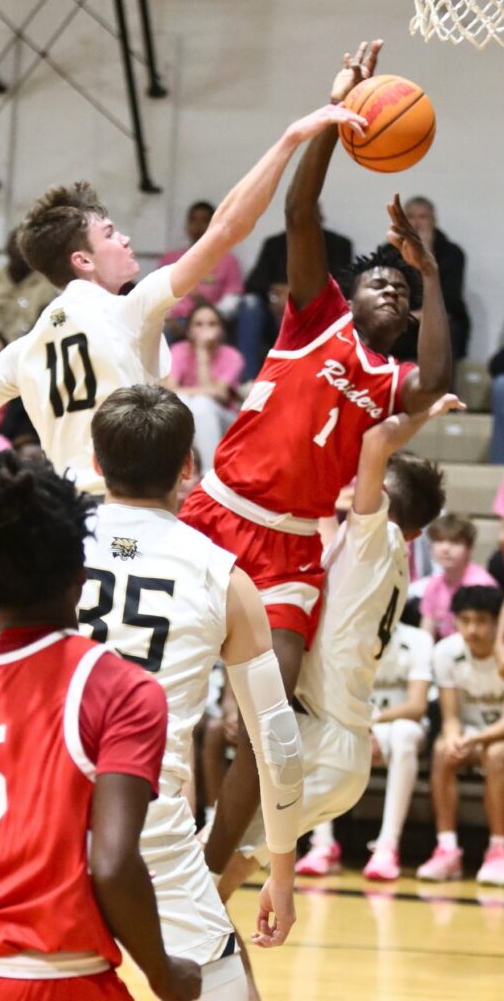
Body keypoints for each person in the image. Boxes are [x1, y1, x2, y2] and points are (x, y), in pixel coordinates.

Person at [0, 99, 368, 574]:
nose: (126, 238)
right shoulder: (128, 310)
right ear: (83, 260)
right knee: (224, 624)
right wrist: (291, 138)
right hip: (131, 527)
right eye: (112, 233)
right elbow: (227, 229)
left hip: (63, 533)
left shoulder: (23, 349)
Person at [0, 437, 201, 1001]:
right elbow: (113, 864)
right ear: (81, 570)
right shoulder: (120, 688)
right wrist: (164, 973)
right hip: (52, 977)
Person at [180, 40, 452, 703]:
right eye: (378, 280)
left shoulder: (391, 383)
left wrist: (430, 273)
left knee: (273, 702)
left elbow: (436, 380)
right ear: (346, 292)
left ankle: (236, 815)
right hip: (220, 510)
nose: (391, 289)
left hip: (294, 545)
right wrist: (333, 118)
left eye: (401, 289)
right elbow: (299, 213)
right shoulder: (315, 318)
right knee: (168, 669)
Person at [80, 385, 304, 999]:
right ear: (187, 467)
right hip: (146, 817)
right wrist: (279, 871)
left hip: (43, 809)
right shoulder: (222, 576)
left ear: (96, 463)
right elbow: (278, 746)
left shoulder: (44, 549)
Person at [203, 397, 452, 918]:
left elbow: (374, 445)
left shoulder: (375, 539)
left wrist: (419, 410)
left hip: (323, 739)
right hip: (338, 748)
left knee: (209, 863)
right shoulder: (383, 559)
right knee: (220, 880)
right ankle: (213, 972)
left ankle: (183, 964)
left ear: (381, 500)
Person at [296, 620, 434, 881]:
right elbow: (333, 700)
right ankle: (322, 844)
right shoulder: (346, 636)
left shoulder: (417, 640)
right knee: (317, 732)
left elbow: (416, 707)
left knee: (404, 734)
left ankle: (387, 846)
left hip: (398, 726)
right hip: (358, 725)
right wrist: (362, 730)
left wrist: (371, 724)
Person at [417, 585, 504, 885]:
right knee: (442, 749)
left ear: (496, 622)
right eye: (465, 620)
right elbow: (450, 715)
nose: (472, 629)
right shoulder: (446, 652)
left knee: (497, 754)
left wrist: (476, 740)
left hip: (495, 740)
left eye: (481, 620)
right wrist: (455, 737)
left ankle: (498, 850)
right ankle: (447, 849)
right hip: (471, 736)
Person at [237, 205, 352, 379]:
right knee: (250, 304)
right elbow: (254, 283)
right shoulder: (274, 244)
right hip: (275, 314)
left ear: (320, 218)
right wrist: (276, 292)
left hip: (318, 314)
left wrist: (299, 293)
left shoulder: (339, 245)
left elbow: (345, 285)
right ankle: (247, 381)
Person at [390, 196, 471, 362]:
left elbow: (450, 297)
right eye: (411, 217)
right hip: (404, 315)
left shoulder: (452, 253)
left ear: (433, 221)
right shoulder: (389, 251)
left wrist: (426, 255)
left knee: (448, 328)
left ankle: (441, 384)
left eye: (423, 217)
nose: (417, 223)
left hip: (442, 316)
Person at [166, 302, 244, 473]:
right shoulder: (178, 350)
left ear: (221, 330)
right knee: (183, 401)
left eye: (212, 324)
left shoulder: (232, 355)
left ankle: (209, 474)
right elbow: (170, 391)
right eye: (198, 324)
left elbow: (218, 396)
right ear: (188, 330)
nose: (205, 330)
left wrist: (202, 352)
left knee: (202, 404)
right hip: (189, 413)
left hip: (225, 419)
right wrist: (200, 393)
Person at [158, 201, 244, 339]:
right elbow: (158, 297)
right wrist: (169, 320)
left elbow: (230, 303)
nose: (198, 226)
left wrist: (207, 308)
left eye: (204, 220)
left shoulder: (228, 260)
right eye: (193, 220)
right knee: (161, 332)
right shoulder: (170, 258)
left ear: (214, 224)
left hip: (210, 320)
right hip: (175, 321)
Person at [0, 227, 58, 341]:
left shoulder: (47, 289)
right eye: (15, 246)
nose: (19, 252)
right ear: (7, 250)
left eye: (24, 247)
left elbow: (52, 328)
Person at [420, 514, 497, 641]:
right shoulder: (434, 584)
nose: (445, 548)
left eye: (454, 542)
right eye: (439, 540)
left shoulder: (483, 586)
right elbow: (426, 631)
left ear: (470, 548)